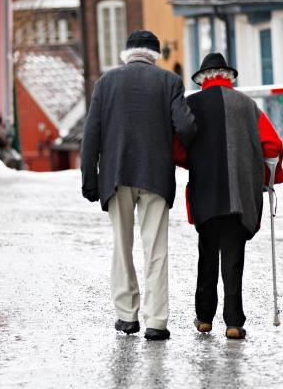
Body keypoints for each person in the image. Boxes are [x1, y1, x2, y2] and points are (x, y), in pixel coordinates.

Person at [80, 30, 197, 341]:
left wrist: (89, 179)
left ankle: (126, 316)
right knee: (156, 249)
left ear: (127, 54)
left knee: (122, 245)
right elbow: (185, 126)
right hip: (156, 175)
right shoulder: (169, 82)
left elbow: (91, 134)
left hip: (115, 175)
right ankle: (156, 321)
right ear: (155, 55)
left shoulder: (106, 83)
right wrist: (190, 149)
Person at [173, 53, 283, 340]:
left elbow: (178, 146)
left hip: (206, 191)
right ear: (228, 76)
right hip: (239, 194)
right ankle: (234, 322)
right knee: (234, 259)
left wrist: (192, 161)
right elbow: (272, 146)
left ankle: (205, 318)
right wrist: (267, 177)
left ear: (202, 78)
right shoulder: (248, 106)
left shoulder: (192, 104)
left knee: (207, 253)